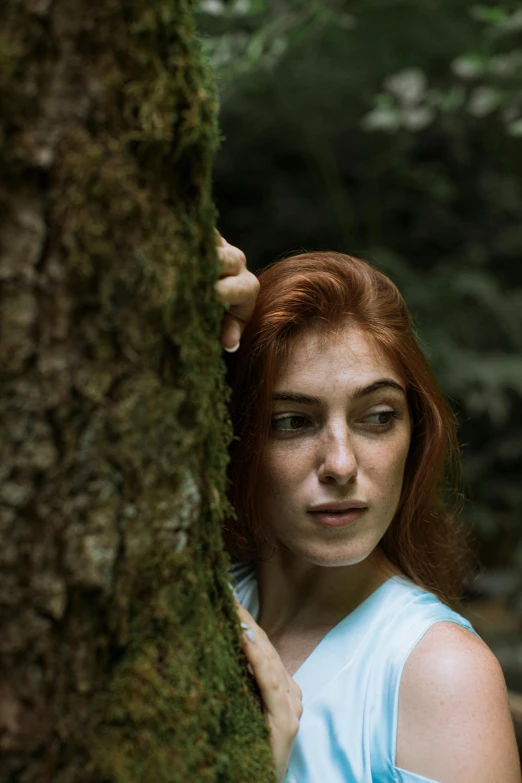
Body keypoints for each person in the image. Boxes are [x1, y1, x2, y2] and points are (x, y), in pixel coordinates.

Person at [214, 234, 522, 783]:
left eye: (377, 416)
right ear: (237, 442)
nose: (340, 463)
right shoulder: (200, 598)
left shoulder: (441, 675)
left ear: (415, 433)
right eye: (292, 421)